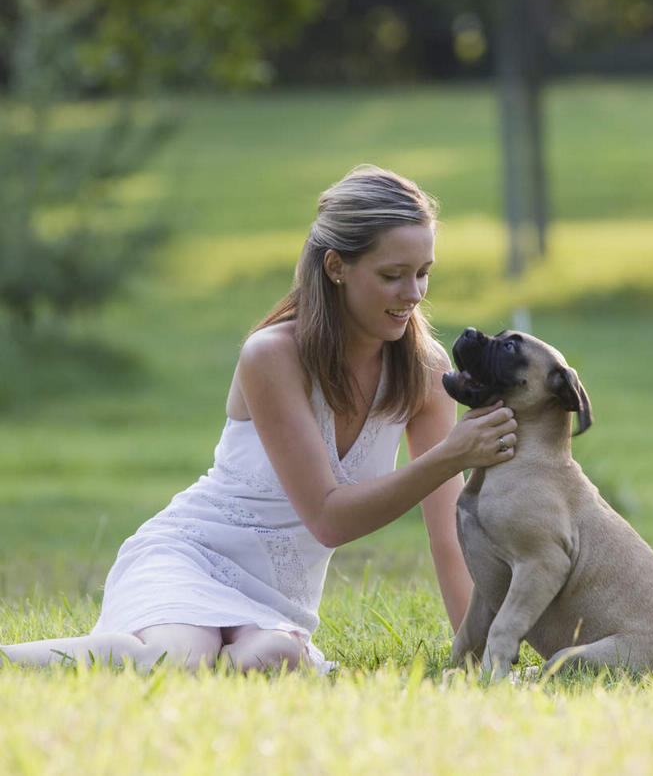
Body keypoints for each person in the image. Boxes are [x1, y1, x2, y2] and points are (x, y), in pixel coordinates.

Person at [0, 165, 517, 673]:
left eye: (423, 273)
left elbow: (450, 533)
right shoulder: (272, 355)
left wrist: (482, 661)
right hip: (189, 557)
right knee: (176, 658)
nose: (415, 294)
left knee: (274, 660)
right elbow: (329, 518)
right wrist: (452, 456)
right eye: (392, 275)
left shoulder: (423, 371)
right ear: (336, 267)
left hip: (276, 599)